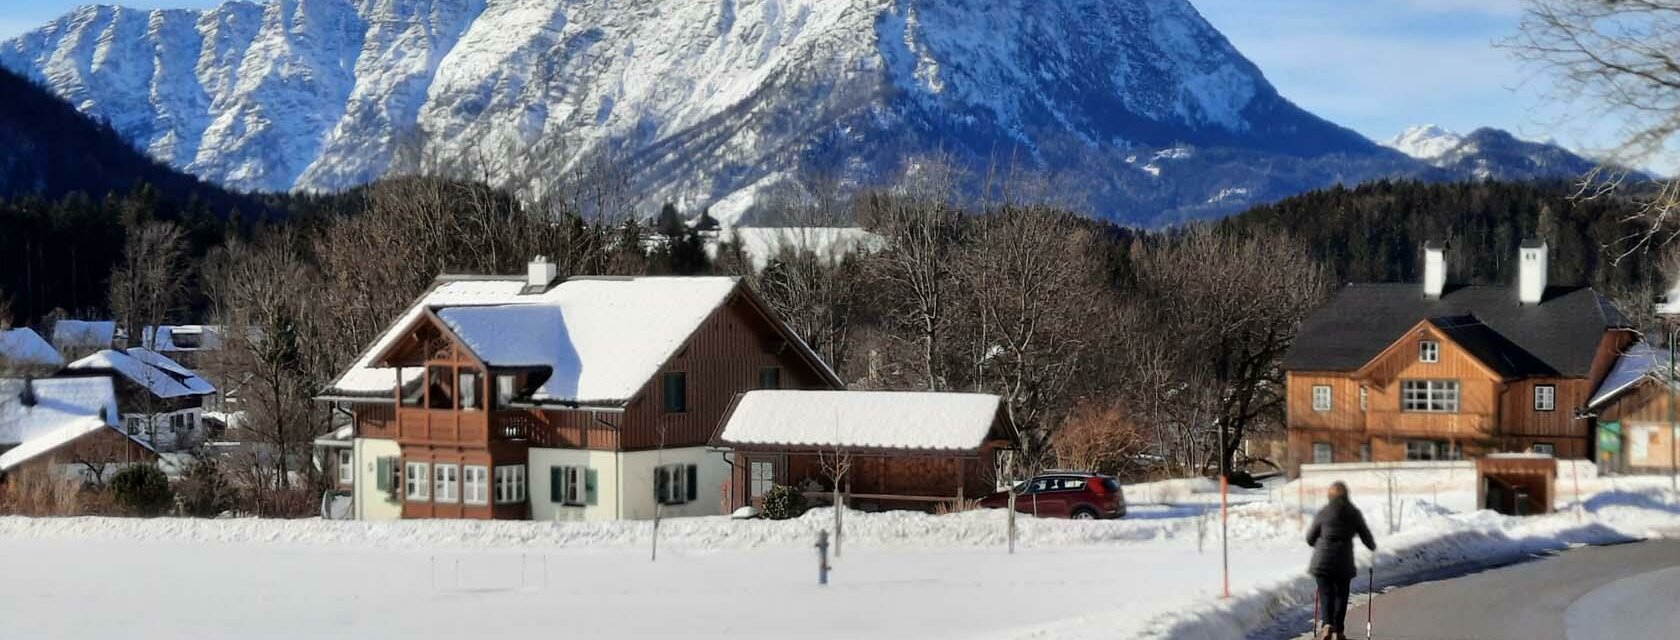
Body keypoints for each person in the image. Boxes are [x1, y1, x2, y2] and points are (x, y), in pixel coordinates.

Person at [1306, 481, 1376, 640]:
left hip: (1322, 563)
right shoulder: (1353, 513)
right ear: (1346, 495)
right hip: (1343, 563)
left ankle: (1327, 625)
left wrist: (1318, 541)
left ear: (1329, 496)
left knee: (1326, 594)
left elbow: (1310, 538)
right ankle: (1338, 630)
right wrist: (1371, 546)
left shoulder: (1324, 512)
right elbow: (1366, 537)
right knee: (1341, 596)